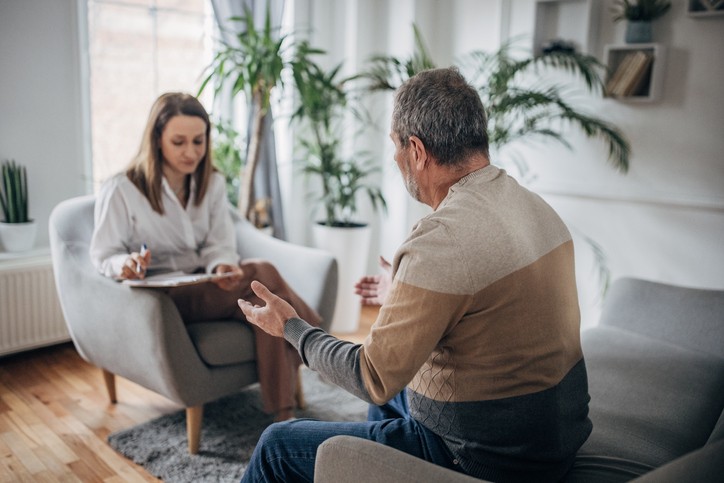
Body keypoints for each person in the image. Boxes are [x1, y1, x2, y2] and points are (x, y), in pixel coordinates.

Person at [237, 67, 592, 482]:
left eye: (395, 146)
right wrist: (406, 294)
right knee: (393, 399)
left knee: (277, 446)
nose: (394, 158)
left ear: (417, 150)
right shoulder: (535, 208)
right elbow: (492, 310)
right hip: (552, 439)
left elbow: (370, 376)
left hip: (489, 458)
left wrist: (292, 328)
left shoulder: (441, 241)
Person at [89, 92, 321, 422]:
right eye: (179, 142)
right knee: (263, 273)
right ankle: (316, 342)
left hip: (205, 286)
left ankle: (282, 415)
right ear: (157, 140)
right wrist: (124, 264)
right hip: (160, 300)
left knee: (263, 305)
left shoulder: (210, 182)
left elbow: (219, 244)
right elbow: (103, 254)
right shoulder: (123, 189)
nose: (191, 152)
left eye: (198, 141)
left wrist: (222, 265)